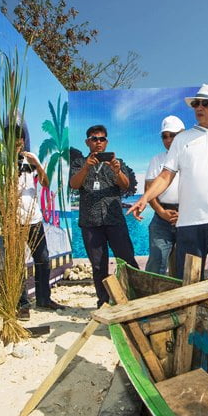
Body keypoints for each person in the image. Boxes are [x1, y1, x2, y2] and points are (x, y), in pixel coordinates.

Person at [127, 84, 208, 294]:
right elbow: (166, 175)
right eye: (196, 103)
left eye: (205, 103)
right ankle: (188, 327)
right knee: (188, 284)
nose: (198, 107)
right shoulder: (182, 140)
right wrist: (144, 198)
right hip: (190, 224)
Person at [69, 125, 139, 308]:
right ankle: (104, 303)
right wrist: (85, 168)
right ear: (87, 142)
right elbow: (74, 185)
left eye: (102, 139)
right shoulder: (78, 164)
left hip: (114, 219)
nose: (98, 142)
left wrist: (117, 171)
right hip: (90, 222)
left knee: (127, 260)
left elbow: (125, 186)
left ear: (106, 142)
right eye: (94, 139)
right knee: (99, 266)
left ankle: (135, 298)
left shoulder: (117, 162)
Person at [15, 121, 67, 318]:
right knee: (17, 263)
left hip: (34, 218)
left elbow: (45, 183)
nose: (17, 143)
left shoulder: (31, 159)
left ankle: (44, 298)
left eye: (20, 139)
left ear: (23, 140)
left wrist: (37, 164)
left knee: (43, 259)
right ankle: (22, 304)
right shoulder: (2, 162)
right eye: (13, 140)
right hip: (14, 221)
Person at [144, 116, 185, 275]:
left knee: (188, 265)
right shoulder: (157, 160)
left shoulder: (191, 158)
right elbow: (149, 191)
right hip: (161, 218)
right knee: (156, 263)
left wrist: (184, 213)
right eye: (164, 136)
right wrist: (162, 212)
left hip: (187, 217)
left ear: (182, 134)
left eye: (172, 135)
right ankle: (153, 297)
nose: (168, 139)